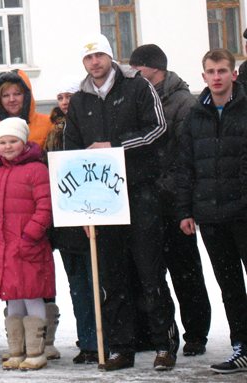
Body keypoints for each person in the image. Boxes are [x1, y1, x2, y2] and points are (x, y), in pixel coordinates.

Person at [64, 33, 178, 371]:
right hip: (101, 201)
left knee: (149, 272)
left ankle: (164, 344)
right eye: (88, 58)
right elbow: (70, 154)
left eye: (99, 56)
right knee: (110, 278)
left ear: (110, 57)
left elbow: (158, 129)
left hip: (141, 190)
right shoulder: (80, 100)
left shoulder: (137, 86)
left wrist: (115, 146)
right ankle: (121, 347)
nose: (94, 63)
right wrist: (80, 209)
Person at [129, 44, 211, 356]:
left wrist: (165, 188)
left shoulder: (182, 102)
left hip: (173, 200)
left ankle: (196, 333)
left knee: (185, 270)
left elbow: (186, 155)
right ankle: (157, 330)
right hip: (148, 198)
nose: (135, 74)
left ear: (154, 69)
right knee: (150, 271)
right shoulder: (143, 97)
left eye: (138, 68)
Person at [0, 69, 59, 360]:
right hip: (3, 240)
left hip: (31, 235)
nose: (12, 99)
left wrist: (30, 234)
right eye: (5, 94)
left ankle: (41, 345)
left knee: (35, 290)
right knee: (13, 293)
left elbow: (44, 204)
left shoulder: (43, 130)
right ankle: (18, 347)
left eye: (17, 92)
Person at [178, 48, 247, 374]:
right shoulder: (195, 115)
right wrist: (185, 210)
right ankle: (242, 347)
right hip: (211, 216)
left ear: (234, 74)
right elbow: (185, 167)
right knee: (230, 287)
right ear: (203, 76)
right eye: (211, 71)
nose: (217, 77)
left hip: (243, 212)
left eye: (222, 71)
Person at [46, 76, 99, 364]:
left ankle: (103, 337)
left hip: (93, 211)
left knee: (97, 282)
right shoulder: (53, 132)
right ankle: (88, 339)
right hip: (65, 215)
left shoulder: (93, 124)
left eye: (71, 96)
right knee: (77, 284)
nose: (66, 102)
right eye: (61, 97)